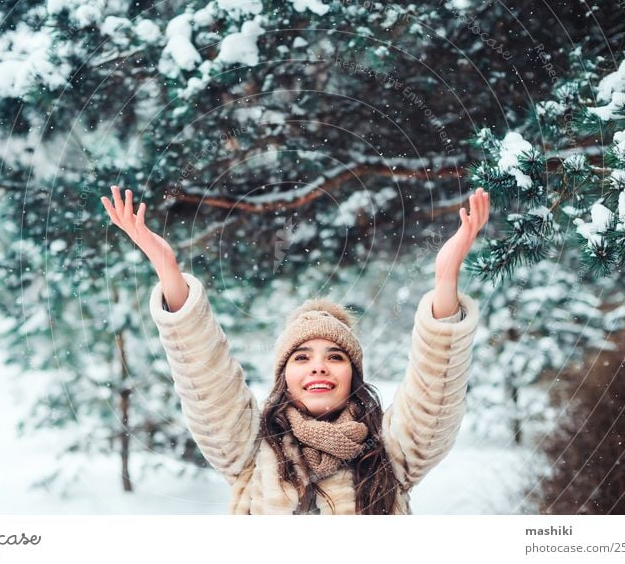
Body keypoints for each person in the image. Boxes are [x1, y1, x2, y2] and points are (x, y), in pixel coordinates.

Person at [101, 186, 489, 514]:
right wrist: (167, 267)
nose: (319, 367)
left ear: (353, 374)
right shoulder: (250, 449)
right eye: (302, 357)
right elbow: (205, 372)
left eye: (335, 357)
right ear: (284, 376)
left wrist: (445, 277)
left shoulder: (390, 451)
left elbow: (434, 391)